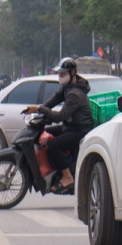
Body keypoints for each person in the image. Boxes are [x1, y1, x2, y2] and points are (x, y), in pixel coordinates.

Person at [26, 58, 93, 194]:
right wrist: (41, 110)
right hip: (70, 126)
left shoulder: (75, 94)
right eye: (59, 74)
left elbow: (60, 116)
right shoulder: (67, 88)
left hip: (80, 130)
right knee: (43, 133)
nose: (60, 77)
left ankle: (67, 177)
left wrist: (39, 109)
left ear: (72, 73)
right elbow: (53, 100)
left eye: (63, 74)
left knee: (54, 145)